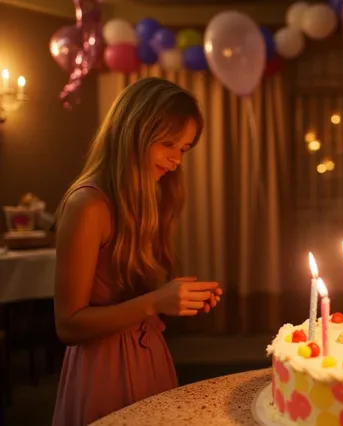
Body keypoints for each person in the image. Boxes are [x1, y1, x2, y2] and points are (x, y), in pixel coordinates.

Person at [52, 77, 223, 426]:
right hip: (104, 369)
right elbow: (67, 325)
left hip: (147, 356)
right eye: (167, 145)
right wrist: (155, 302)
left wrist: (177, 296)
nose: (176, 160)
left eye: (184, 149)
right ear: (133, 132)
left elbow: (131, 293)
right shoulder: (88, 205)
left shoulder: (145, 196)